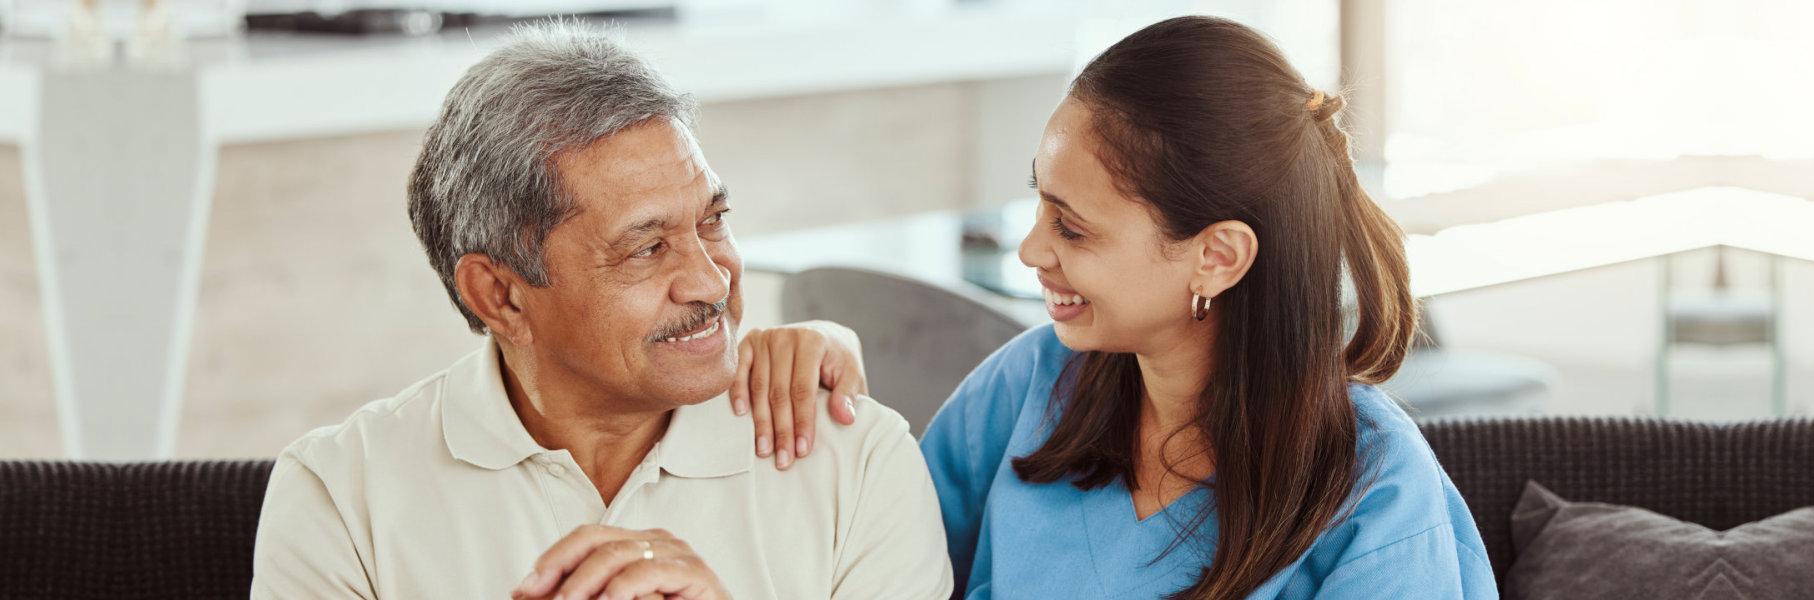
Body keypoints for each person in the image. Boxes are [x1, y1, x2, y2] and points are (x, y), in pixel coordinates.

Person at [752, 15, 1498, 599]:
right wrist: (825, 367)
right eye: (1040, 205)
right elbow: (865, 567)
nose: (1032, 252)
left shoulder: (1377, 492)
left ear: (1217, 256)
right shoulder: (1033, 383)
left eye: (1072, 226)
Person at [248, 22, 951, 600]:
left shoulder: (856, 462)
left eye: (713, 220)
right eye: (646, 249)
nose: (710, 281)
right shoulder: (341, 495)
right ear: (500, 295)